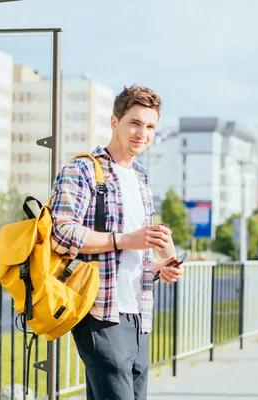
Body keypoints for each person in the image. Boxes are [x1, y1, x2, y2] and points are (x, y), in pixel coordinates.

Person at [50, 85, 184, 400]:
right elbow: (61, 233)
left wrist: (159, 266)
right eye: (134, 123)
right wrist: (126, 239)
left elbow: (132, 253)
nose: (143, 133)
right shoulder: (82, 169)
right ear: (114, 122)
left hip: (139, 312)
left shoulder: (141, 180)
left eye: (150, 126)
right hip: (100, 311)